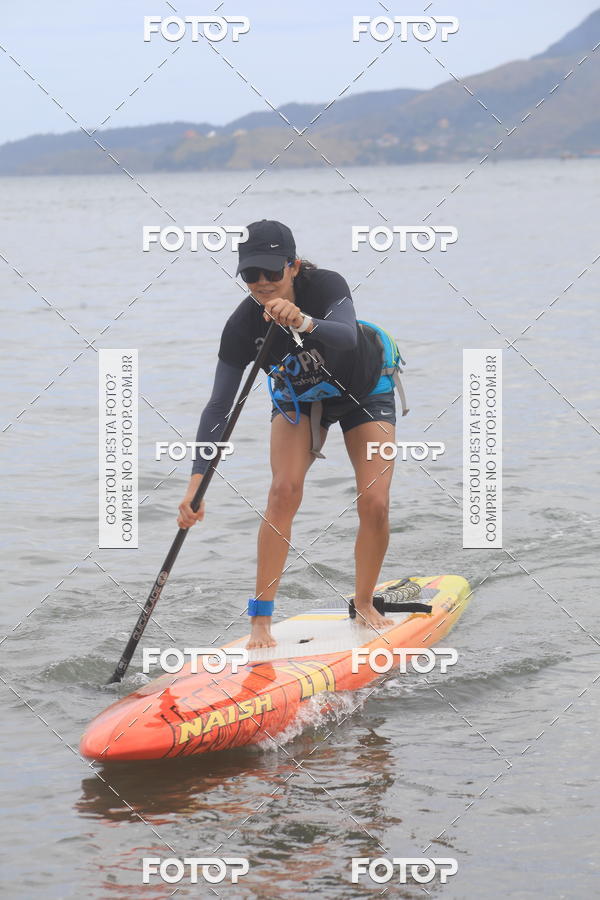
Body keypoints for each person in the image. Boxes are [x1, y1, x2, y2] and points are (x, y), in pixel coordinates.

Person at [178, 220, 405, 649]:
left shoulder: (326, 286)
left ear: (294, 266)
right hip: (299, 399)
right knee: (283, 492)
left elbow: (346, 335)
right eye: (251, 274)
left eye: (272, 272)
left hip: (364, 388)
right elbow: (218, 407)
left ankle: (363, 603)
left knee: (374, 500)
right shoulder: (243, 325)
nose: (262, 283)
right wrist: (196, 483)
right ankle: (260, 623)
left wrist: (303, 321)